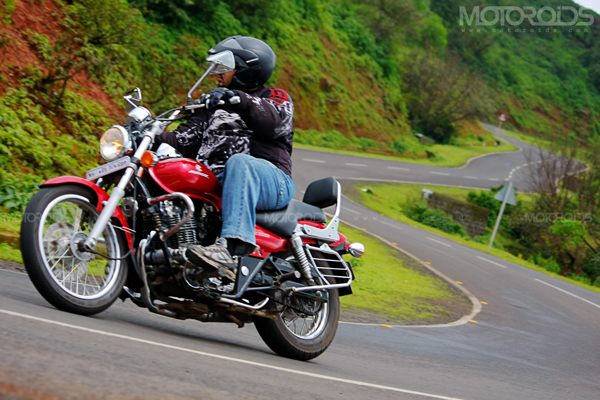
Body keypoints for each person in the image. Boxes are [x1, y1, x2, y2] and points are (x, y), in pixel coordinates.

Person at [154, 36, 295, 280]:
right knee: (169, 167)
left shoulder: (275, 97)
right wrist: (146, 136)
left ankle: (230, 248)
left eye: (223, 68)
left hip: (271, 180)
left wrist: (240, 101)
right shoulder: (214, 103)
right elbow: (184, 139)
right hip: (220, 181)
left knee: (239, 162)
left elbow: (272, 121)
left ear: (246, 68)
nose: (217, 74)